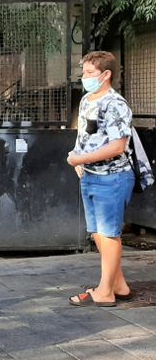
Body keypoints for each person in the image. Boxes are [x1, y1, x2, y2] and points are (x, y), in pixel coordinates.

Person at [67, 51, 135, 307]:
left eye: (90, 73)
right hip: (90, 175)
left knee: (109, 233)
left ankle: (105, 291)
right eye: (84, 72)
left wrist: (81, 160)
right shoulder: (86, 100)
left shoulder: (115, 104)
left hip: (112, 177)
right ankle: (119, 284)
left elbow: (118, 146)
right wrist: (76, 156)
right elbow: (84, 136)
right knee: (97, 233)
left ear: (106, 75)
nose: (85, 77)